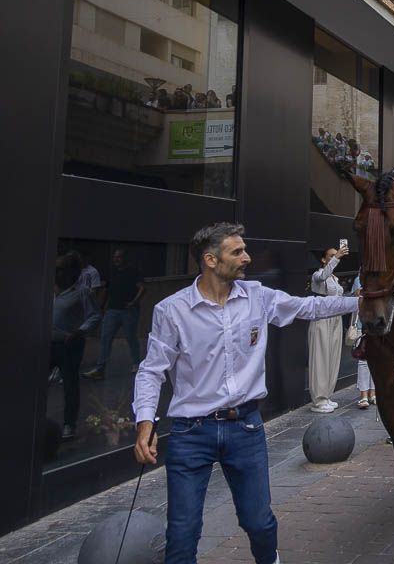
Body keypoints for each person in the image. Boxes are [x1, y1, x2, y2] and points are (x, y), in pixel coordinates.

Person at [132, 222, 358, 564]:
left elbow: (307, 308)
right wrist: (145, 421)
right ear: (210, 260)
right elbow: (151, 370)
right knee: (182, 534)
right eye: (237, 251)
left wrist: (361, 302)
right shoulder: (172, 310)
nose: (247, 258)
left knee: (259, 522)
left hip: (246, 427)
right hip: (190, 433)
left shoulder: (257, 296)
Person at [50, 253, 100, 440]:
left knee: (70, 385)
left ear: (72, 273)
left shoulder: (81, 293)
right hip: (47, 344)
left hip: (69, 345)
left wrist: (79, 331)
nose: (57, 273)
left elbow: (95, 316)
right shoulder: (52, 292)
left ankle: (69, 424)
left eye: (61, 270)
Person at [83, 248, 145, 380]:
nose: (116, 260)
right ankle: (100, 369)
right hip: (112, 310)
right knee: (105, 338)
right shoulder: (112, 272)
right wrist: (101, 306)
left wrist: (134, 302)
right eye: (115, 257)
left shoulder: (133, 271)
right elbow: (106, 289)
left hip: (128, 310)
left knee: (131, 337)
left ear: (125, 258)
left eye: (119, 257)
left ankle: (136, 364)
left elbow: (142, 287)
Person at [308, 244, 348, 413]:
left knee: (332, 356)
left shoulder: (335, 280)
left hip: (336, 318)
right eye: (330, 256)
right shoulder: (318, 275)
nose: (334, 257)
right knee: (320, 357)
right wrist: (337, 257)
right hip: (322, 318)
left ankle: (327, 395)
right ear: (324, 259)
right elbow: (322, 276)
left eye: (336, 255)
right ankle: (319, 398)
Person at [349, 274, 374, 410]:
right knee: (363, 361)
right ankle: (363, 395)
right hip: (361, 325)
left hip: (376, 325)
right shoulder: (359, 279)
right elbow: (358, 296)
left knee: (376, 360)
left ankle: (373, 393)